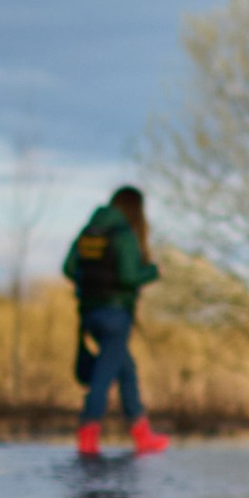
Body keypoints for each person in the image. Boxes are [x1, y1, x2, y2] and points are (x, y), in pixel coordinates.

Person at [65, 184, 168, 460]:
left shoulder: (89, 231)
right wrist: (153, 272)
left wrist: (90, 285)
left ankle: (142, 434)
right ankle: (88, 436)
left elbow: (68, 267)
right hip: (115, 315)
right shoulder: (124, 235)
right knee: (103, 377)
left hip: (89, 313)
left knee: (126, 370)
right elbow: (128, 277)